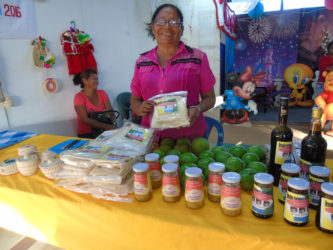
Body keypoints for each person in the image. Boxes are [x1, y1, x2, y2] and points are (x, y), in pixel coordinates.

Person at [130, 3, 216, 141]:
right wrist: (139, 108)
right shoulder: (142, 62)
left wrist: (197, 109)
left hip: (189, 137)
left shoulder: (197, 58)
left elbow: (210, 98)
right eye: (161, 21)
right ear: (153, 27)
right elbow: (134, 99)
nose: (167, 27)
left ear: (181, 29)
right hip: (151, 138)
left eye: (174, 22)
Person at [73, 68, 116, 138]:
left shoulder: (102, 93)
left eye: (97, 79)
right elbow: (85, 120)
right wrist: (107, 126)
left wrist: (111, 124)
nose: (97, 81)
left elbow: (110, 111)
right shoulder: (79, 97)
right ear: (84, 80)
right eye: (93, 79)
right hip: (87, 134)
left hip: (104, 131)